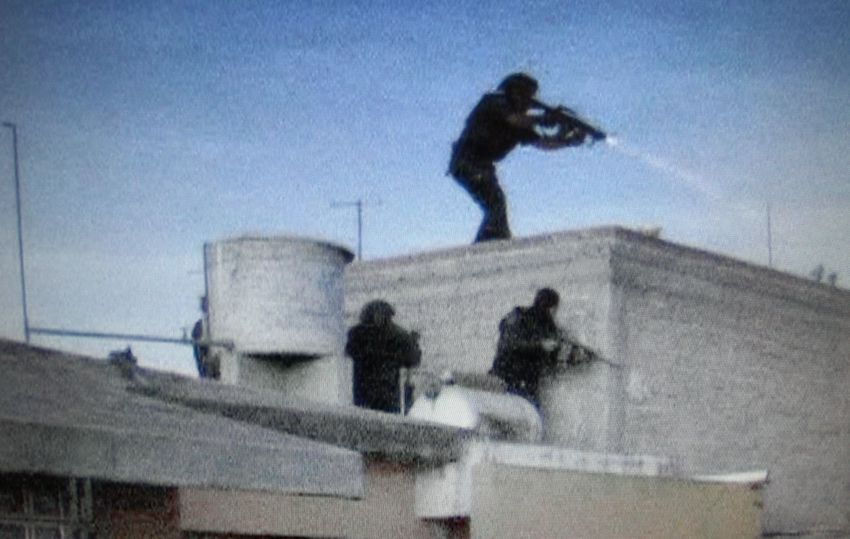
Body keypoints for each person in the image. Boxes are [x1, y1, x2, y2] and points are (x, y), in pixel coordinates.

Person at [449, 72, 586, 243]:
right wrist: (545, 118)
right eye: (527, 95)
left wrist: (567, 140)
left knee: (497, 206)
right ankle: (488, 244)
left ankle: (493, 240)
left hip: (482, 165)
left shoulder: (522, 123)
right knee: (496, 203)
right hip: (467, 161)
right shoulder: (494, 102)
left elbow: (543, 143)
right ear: (515, 92)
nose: (530, 101)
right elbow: (514, 119)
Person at [489, 288, 564, 408]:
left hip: (526, 386)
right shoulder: (521, 316)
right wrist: (539, 346)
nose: (554, 313)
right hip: (507, 380)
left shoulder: (550, 329)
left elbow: (552, 362)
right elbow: (511, 342)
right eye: (553, 308)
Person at [345, 300, 422, 413]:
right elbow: (413, 360)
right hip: (388, 398)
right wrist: (413, 342)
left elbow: (348, 351)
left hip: (362, 396)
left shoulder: (356, 334)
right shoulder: (398, 335)